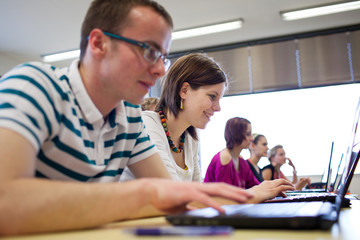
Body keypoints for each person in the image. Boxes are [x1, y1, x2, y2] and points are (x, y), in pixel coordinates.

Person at [0, 0, 256, 236]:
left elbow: (172, 197)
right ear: (99, 43)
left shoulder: (129, 117)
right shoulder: (34, 85)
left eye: (162, 57)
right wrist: (143, 194)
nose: (159, 70)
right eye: (149, 51)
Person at [204, 117, 294, 193]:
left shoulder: (241, 161)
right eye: (248, 134)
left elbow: (256, 185)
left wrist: (274, 188)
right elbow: (225, 197)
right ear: (236, 135)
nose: (251, 139)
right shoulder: (225, 157)